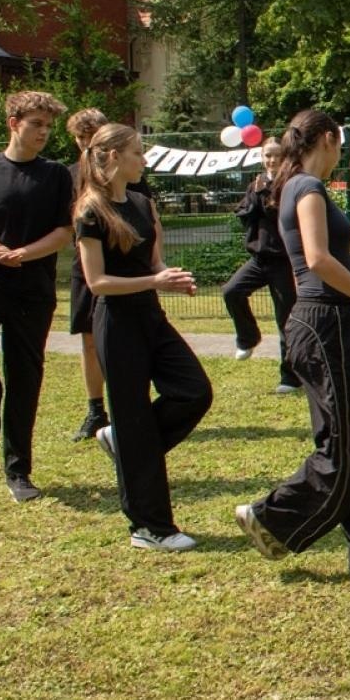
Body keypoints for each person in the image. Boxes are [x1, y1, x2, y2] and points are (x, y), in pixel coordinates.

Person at [233, 109, 350, 576]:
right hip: (324, 321)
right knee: (343, 442)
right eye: (340, 144)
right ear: (327, 139)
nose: (341, 154)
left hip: (320, 320)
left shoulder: (292, 185)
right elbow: (317, 258)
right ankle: (272, 515)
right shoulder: (308, 188)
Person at [76, 124, 212, 552]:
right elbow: (96, 283)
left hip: (150, 315)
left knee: (194, 392)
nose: (144, 160)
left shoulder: (141, 202)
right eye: (137, 153)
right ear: (113, 157)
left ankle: (123, 441)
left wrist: (168, 279)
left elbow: (153, 262)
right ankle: (150, 528)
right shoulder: (89, 212)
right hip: (116, 322)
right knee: (133, 418)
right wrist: (155, 280)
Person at [0, 91, 75, 503]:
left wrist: (22, 253)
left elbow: (63, 232)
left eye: (48, 125)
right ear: (13, 123)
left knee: (26, 374)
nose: (44, 132)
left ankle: (18, 471)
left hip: (32, 283)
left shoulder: (56, 175)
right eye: (36, 123)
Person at [65, 108, 154, 443]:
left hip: (126, 266)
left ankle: (129, 411)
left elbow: (146, 216)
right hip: (89, 267)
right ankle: (95, 409)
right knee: (90, 340)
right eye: (81, 138)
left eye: (93, 136)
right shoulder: (71, 176)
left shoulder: (131, 175)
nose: (87, 145)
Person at [222, 139, 300, 394]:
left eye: (277, 156)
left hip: (283, 262)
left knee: (285, 318)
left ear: (285, 157)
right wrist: (255, 197)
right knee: (231, 291)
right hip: (259, 259)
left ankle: (290, 377)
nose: (272, 160)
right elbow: (245, 215)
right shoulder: (255, 184)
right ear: (261, 156)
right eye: (268, 155)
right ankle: (248, 337)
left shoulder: (291, 184)